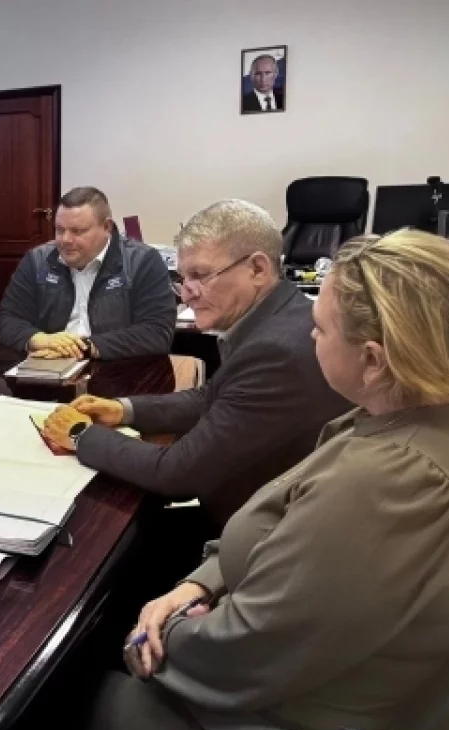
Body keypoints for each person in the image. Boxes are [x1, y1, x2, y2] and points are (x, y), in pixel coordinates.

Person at [76, 230, 449, 730]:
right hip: (287, 685)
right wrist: (200, 585)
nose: (309, 334)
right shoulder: (436, 417)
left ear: (372, 360)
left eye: (320, 328)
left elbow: (246, 653)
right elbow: (281, 523)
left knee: (54, 689)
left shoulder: (390, 482)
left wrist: (155, 636)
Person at [42, 200, 351, 529]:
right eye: (183, 279)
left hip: (253, 535)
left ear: (258, 269)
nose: (187, 295)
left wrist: (80, 435)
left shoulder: (275, 352)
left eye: (200, 276)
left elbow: (176, 473)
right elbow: (212, 397)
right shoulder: (283, 315)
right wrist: (124, 409)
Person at [0, 186, 176, 361]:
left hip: (116, 367)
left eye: (77, 231)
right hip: (48, 363)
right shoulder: (37, 260)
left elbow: (157, 332)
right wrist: (37, 339)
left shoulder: (142, 261)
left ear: (106, 227)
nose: (66, 240)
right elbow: (7, 319)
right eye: (60, 230)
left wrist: (86, 347)